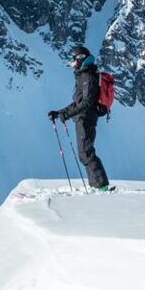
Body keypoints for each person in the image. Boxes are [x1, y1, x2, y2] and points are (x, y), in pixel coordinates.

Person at [47, 45, 111, 192]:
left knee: (86, 153)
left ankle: (101, 187)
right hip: (82, 118)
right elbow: (78, 102)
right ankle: (98, 186)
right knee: (85, 153)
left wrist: (67, 114)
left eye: (72, 59)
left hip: (86, 118)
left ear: (80, 59)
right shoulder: (83, 75)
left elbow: (87, 102)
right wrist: (60, 112)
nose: (70, 63)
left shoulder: (88, 76)